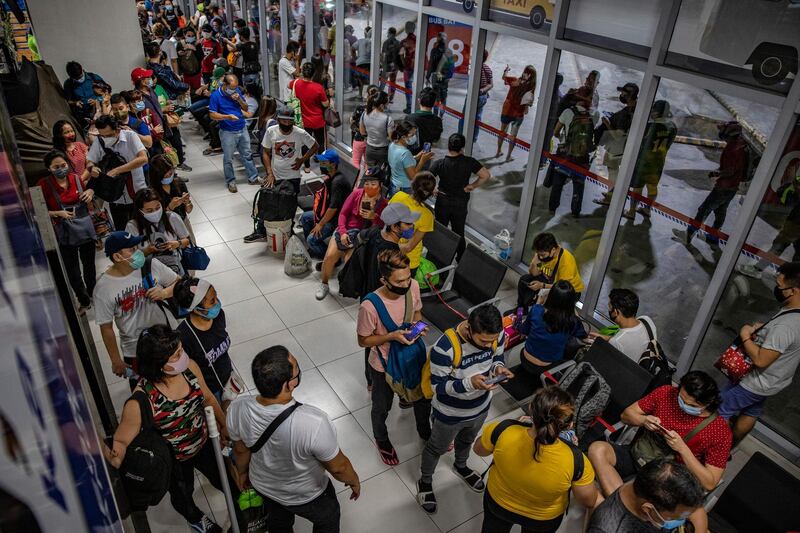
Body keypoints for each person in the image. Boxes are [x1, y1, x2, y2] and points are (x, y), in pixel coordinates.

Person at [105, 324, 234, 533]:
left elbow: (208, 398)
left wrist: (224, 425)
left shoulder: (189, 368)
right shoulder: (140, 401)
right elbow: (120, 441)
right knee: (183, 495)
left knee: (226, 479)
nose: (182, 356)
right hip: (175, 461)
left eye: (181, 350)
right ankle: (195, 518)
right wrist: (114, 456)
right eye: (175, 355)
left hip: (203, 442)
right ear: (158, 364)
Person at [227, 345, 360, 532]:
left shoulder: (237, 408)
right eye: (296, 368)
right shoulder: (314, 422)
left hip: (264, 486)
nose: (299, 370)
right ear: (289, 384)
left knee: (279, 524)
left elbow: (241, 450)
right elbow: (339, 467)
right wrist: (353, 480)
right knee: (328, 519)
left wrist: (241, 473)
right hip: (308, 495)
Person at [416, 305, 512, 514]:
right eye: (483, 341)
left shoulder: (497, 334)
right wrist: (469, 384)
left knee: (467, 440)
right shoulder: (446, 347)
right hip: (449, 414)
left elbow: (497, 356)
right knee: (436, 448)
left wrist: (498, 368)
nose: (488, 345)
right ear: (469, 329)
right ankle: (425, 481)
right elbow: (437, 388)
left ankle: (461, 465)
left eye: (492, 340)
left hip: (480, 407)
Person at [588, 371, 732, 503]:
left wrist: (682, 449)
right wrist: (644, 420)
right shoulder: (666, 393)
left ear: (707, 404)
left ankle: (617, 502)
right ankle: (620, 504)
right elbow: (626, 416)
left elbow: (710, 482)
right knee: (597, 449)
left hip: (665, 477)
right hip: (638, 454)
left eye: (691, 405)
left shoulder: (719, 431)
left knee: (639, 492)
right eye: (681, 399)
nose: (682, 406)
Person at [473, 386, 600, 533]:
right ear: (569, 425)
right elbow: (589, 500)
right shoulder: (577, 460)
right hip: (542, 519)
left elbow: (478, 450)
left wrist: (516, 425)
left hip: (498, 503)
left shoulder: (503, 430)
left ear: (530, 409)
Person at [357, 250, 431, 465]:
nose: (406, 283)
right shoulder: (370, 306)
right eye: (400, 281)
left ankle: (425, 432)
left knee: (422, 397)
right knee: (381, 407)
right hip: (383, 364)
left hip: (411, 355)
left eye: (408, 277)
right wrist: (391, 336)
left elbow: (417, 312)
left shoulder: (413, 287)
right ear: (384, 280)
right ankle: (382, 439)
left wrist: (418, 327)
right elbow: (363, 341)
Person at [719, 261, 800, 444]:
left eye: (780, 285)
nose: (776, 288)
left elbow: (761, 360)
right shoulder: (794, 312)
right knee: (751, 411)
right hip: (773, 382)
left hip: (756, 382)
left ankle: (712, 451)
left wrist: (745, 335)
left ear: (794, 290)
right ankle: (732, 445)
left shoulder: (785, 326)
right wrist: (766, 331)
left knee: (719, 410)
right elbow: (788, 343)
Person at [94, 231, 179, 377]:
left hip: (166, 337)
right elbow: (106, 328)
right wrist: (115, 360)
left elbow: (179, 282)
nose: (138, 252)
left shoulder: (151, 265)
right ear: (117, 256)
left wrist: (164, 293)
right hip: (136, 349)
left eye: (137, 247)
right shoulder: (103, 289)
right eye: (132, 250)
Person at [315, 170, 389, 300]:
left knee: (351, 263)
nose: (369, 186)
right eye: (366, 183)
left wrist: (374, 217)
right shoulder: (356, 194)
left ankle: (351, 286)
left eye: (373, 183)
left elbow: (382, 228)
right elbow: (343, 214)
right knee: (329, 257)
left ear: (380, 185)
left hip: (362, 237)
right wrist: (343, 233)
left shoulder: (383, 204)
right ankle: (324, 283)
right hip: (345, 231)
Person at [38, 150, 97, 312]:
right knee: (72, 270)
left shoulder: (76, 178)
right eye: (56, 167)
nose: (61, 169)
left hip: (84, 228)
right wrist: (57, 213)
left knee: (89, 265)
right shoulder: (43, 185)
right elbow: (38, 211)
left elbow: (90, 196)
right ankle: (83, 299)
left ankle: (94, 292)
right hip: (64, 231)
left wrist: (90, 193)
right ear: (49, 168)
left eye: (63, 165)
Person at [588, 459, 705, 533]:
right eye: (676, 518)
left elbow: (696, 510)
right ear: (648, 509)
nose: (681, 520)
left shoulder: (649, 482)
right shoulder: (609, 528)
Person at [682, 121, 748, 242]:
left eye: (722, 131)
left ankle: (688, 235)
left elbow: (730, 170)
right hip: (732, 187)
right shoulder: (740, 145)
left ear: (728, 134)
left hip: (724, 187)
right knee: (720, 211)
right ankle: (713, 237)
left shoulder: (733, 149)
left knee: (703, 210)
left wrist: (717, 173)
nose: (720, 133)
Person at [174, 277, 237, 402]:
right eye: (212, 301)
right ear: (197, 309)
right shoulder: (185, 337)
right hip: (210, 390)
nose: (217, 303)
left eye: (216, 297)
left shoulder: (219, 316)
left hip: (228, 377)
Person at [430, 133, 491, 259]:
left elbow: (425, 178)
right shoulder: (469, 162)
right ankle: (461, 258)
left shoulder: (440, 163)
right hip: (460, 202)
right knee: (459, 232)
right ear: (462, 147)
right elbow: (486, 175)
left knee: (441, 230)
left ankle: (439, 256)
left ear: (448, 146)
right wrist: (472, 186)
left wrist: (433, 188)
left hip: (443, 201)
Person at [517, 281, 587, 384]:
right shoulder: (573, 321)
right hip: (548, 367)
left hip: (525, 359)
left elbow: (524, 330)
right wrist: (574, 312)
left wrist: (538, 304)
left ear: (550, 296)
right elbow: (583, 336)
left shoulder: (537, 310)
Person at [87, 114, 149, 230]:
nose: (106, 138)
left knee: (143, 229)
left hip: (137, 193)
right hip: (115, 197)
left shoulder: (130, 137)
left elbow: (143, 159)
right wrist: (92, 168)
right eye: (102, 135)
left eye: (109, 135)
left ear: (117, 130)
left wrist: (117, 170)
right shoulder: (99, 142)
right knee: (122, 232)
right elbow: (90, 161)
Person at [624, 100, 678, 219]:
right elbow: (669, 144)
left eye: (653, 110)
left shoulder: (650, 126)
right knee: (652, 186)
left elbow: (641, 143)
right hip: (658, 161)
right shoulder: (673, 127)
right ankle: (647, 209)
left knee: (638, 187)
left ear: (657, 112)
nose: (651, 112)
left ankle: (631, 211)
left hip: (645, 161)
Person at [209, 74, 261, 193]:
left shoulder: (236, 91)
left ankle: (253, 177)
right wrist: (227, 116)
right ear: (225, 85)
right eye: (231, 88)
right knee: (228, 158)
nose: (234, 90)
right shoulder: (216, 96)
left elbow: (246, 108)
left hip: (242, 127)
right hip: (227, 131)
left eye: (235, 87)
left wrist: (239, 99)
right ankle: (231, 181)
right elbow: (212, 114)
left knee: (247, 154)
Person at [549, 90, 595, 217]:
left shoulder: (568, 112)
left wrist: (562, 138)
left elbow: (556, 131)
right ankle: (575, 211)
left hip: (566, 154)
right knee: (578, 185)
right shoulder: (593, 115)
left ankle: (552, 208)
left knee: (558, 182)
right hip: (582, 157)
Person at [126, 188, 190, 276]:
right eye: (149, 211)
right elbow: (130, 257)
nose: (155, 212)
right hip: (150, 272)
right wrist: (147, 251)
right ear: (140, 211)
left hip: (175, 268)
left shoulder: (172, 217)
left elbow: (186, 240)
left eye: (157, 207)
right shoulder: (132, 226)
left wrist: (177, 243)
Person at [299, 149, 351, 259]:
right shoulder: (330, 177)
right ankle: (313, 248)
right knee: (305, 217)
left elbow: (333, 208)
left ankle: (330, 258)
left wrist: (320, 224)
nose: (321, 165)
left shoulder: (338, 182)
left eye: (324, 163)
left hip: (336, 220)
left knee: (311, 240)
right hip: (326, 213)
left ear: (333, 164)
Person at [594, 82, 639, 204]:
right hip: (628, 146)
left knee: (613, 170)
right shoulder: (638, 110)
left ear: (629, 95)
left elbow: (618, 135)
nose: (621, 95)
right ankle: (612, 193)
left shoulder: (626, 114)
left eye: (623, 93)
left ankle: (611, 196)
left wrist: (607, 123)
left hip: (617, 148)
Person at [517, 232, 584, 310]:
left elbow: (562, 287)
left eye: (543, 255)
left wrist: (542, 285)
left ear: (553, 250)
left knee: (549, 304)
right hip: (550, 282)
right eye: (539, 254)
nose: (541, 257)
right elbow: (534, 273)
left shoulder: (566, 261)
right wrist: (535, 261)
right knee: (524, 279)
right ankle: (521, 309)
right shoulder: (543, 255)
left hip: (568, 291)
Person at [589, 288, 657, 362]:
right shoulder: (646, 320)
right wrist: (608, 338)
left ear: (616, 312)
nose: (608, 309)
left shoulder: (618, 342)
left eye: (609, 307)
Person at [387, 172, 436, 275]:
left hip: (389, 254)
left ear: (412, 185)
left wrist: (386, 247)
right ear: (431, 194)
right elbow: (409, 247)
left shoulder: (398, 196)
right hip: (408, 262)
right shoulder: (427, 215)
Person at [288, 62, 330, 155]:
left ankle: (307, 167)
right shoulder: (318, 88)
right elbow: (326, 104)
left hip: (303, 121)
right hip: (318, 121)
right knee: (321, 143)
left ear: (302, 72)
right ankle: (321, 163)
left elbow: (288, 85)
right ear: (314, 73)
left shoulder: (295, 83)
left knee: (305, 144)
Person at [495, 64, 536, 161]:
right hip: (518, 114)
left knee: (502, 131)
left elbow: (503, 77)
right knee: (513, 136)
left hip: (507, 110)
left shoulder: (514, 80)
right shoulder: (530, 88)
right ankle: (508, 156)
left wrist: (506, 70)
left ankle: (498, 151)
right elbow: (526, 108)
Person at [387, 120, 434, 196]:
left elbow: (403, 162)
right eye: (412, 135)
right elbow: (413, 177)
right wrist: (422, 160)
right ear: (403, 137)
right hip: (405, 189)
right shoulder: (405, 153)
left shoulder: (392, 144)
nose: (414, 137)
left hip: (394, 185)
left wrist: (418, 156)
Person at [147, 154, 193, 226]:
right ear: (157, 177)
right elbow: (156, 219)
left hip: (183, 223)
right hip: (166, 227)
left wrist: (187, 202)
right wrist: (170, 207)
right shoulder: (152, 193)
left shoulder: (179, 183)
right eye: (165, 176)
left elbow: (189, 210)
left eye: (170, 173)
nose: (168, 177)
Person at [458, 50, 493, 144]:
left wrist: (478, 91)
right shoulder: (487, 69)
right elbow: (491, 84)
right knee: (477, 118)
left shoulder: (475, 69)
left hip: (474, 97)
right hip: (483, 96)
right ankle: (474, 138)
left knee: (464, 116)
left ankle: (460, 135)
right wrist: (483, 90)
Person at [404, 87, 443, 156]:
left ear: (419, 100)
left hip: (409, 155)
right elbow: (435, 139)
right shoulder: (437, 121)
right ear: (434, 103)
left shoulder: (410, 118)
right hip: (425, 155)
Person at [360, 90, 394, 169]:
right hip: (383, 151)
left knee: (371, 176)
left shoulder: (365, 114)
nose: (388, 104)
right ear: (382, 105)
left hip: (369, 149)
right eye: (387, 103)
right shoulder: (388, 119)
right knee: (382, 175)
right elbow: (391, 138)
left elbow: (362, 132)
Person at [350, 85, 379, 170]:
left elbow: (353, 121)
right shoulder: (379, 112)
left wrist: (351, 120)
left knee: (355, 162)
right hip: (371, 141)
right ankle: (366, 181)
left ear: (367, 94)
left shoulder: (360, 108)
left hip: (359, 139)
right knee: (368, 164)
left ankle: (355, 182)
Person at [52, 119, 91, 184]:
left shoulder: (80, 145)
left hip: (87, 181)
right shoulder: (57, 153)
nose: (71, 134)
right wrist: (77, 184)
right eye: (66, 132)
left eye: (72, 131)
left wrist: (81, 180)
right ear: (59, 135)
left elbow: (89, 165)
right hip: (71, 185)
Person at [425, 32, 453, 119]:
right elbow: (451, 66)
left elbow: (431, 64)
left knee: (436, 96)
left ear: (438, 39)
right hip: (444, 77)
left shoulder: (434, 50)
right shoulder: (449, 51)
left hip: (435, 76)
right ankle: (441, 115)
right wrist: (448, 77)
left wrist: (427, 76)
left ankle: (435, 114)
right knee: (444, 96)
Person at [379, 27, 402, 103]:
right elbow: (400, 55)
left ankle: (380, 96)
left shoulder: (386, 43)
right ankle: (390, 98)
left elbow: (383, 55)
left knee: (383, 82)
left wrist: (382, 64)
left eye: (388, 33)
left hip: (387, 65)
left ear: (390, 33)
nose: (387, 35)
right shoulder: (398, 43)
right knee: (392, 82)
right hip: (395, 66)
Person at [398, 21, 417, 114]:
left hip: (408, 67)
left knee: (408, 87)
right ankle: (416, 106)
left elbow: (401, 55)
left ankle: (409, 106)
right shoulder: (418, 40)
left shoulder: (404, 42)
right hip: (417, 66)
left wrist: (403, 65)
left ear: (406, 29)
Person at [354, 27, 372, 99]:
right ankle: (369, 95)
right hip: (370, 63)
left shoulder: (360, 41)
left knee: (360, 78)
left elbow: (352, 48)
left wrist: (355, 58)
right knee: (370, 79)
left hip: (361, 63)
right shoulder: (373, 41)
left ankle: (360, 94)